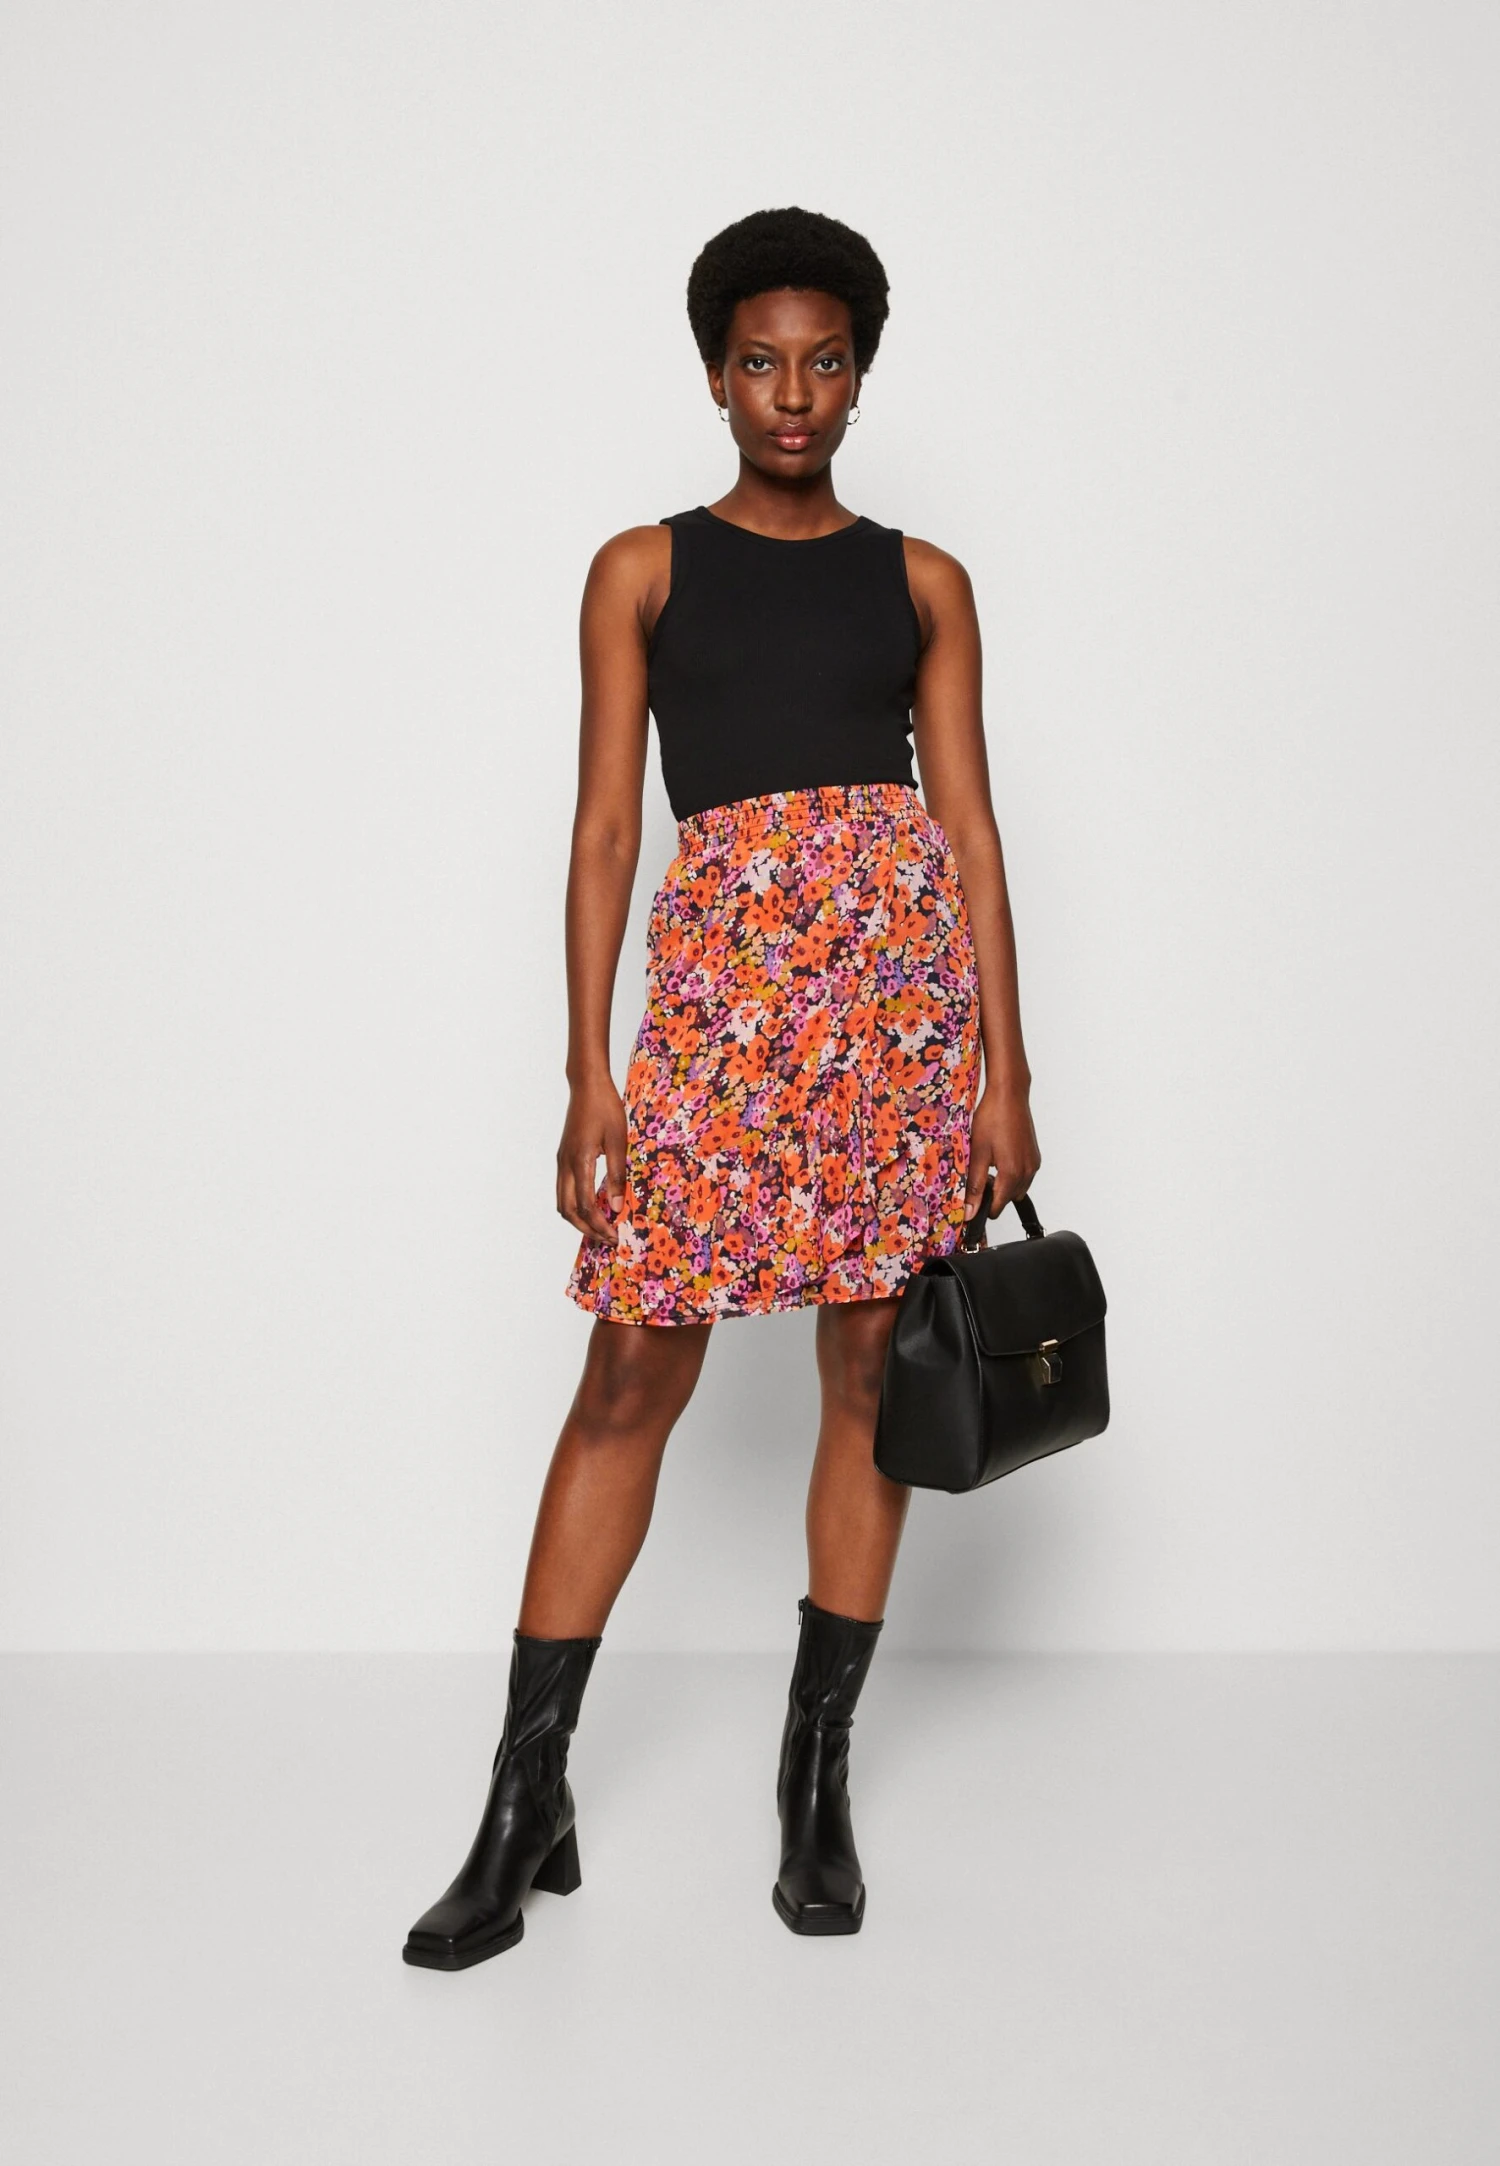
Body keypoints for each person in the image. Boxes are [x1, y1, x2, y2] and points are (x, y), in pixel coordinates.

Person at [403, 206, 1040, 1969]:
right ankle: (525, 1799)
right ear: (713, 375)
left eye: (824, 361)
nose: (793, 393)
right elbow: (608, 828)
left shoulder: (923, 582)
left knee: (868, 1368)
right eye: (761, 361)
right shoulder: (643, 569)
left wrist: (1007, 1071)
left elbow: (973, 833)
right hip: (716, 1016)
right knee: (630, 1369)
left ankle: (813, 1776)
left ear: (861, 376)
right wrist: (586, 1071)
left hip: (894, 1017)